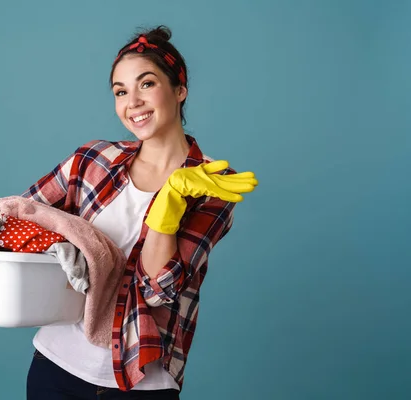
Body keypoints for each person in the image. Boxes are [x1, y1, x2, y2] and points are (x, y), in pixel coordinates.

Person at [23, 25, 258, 400]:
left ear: (180, 90)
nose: (132, 102)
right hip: (57, 367)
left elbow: (157, 289)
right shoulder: (93, 160)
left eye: (146, 84)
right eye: (120, 91)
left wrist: (168, 206)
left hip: (142, 381)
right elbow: (22, 217)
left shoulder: (214, 183)